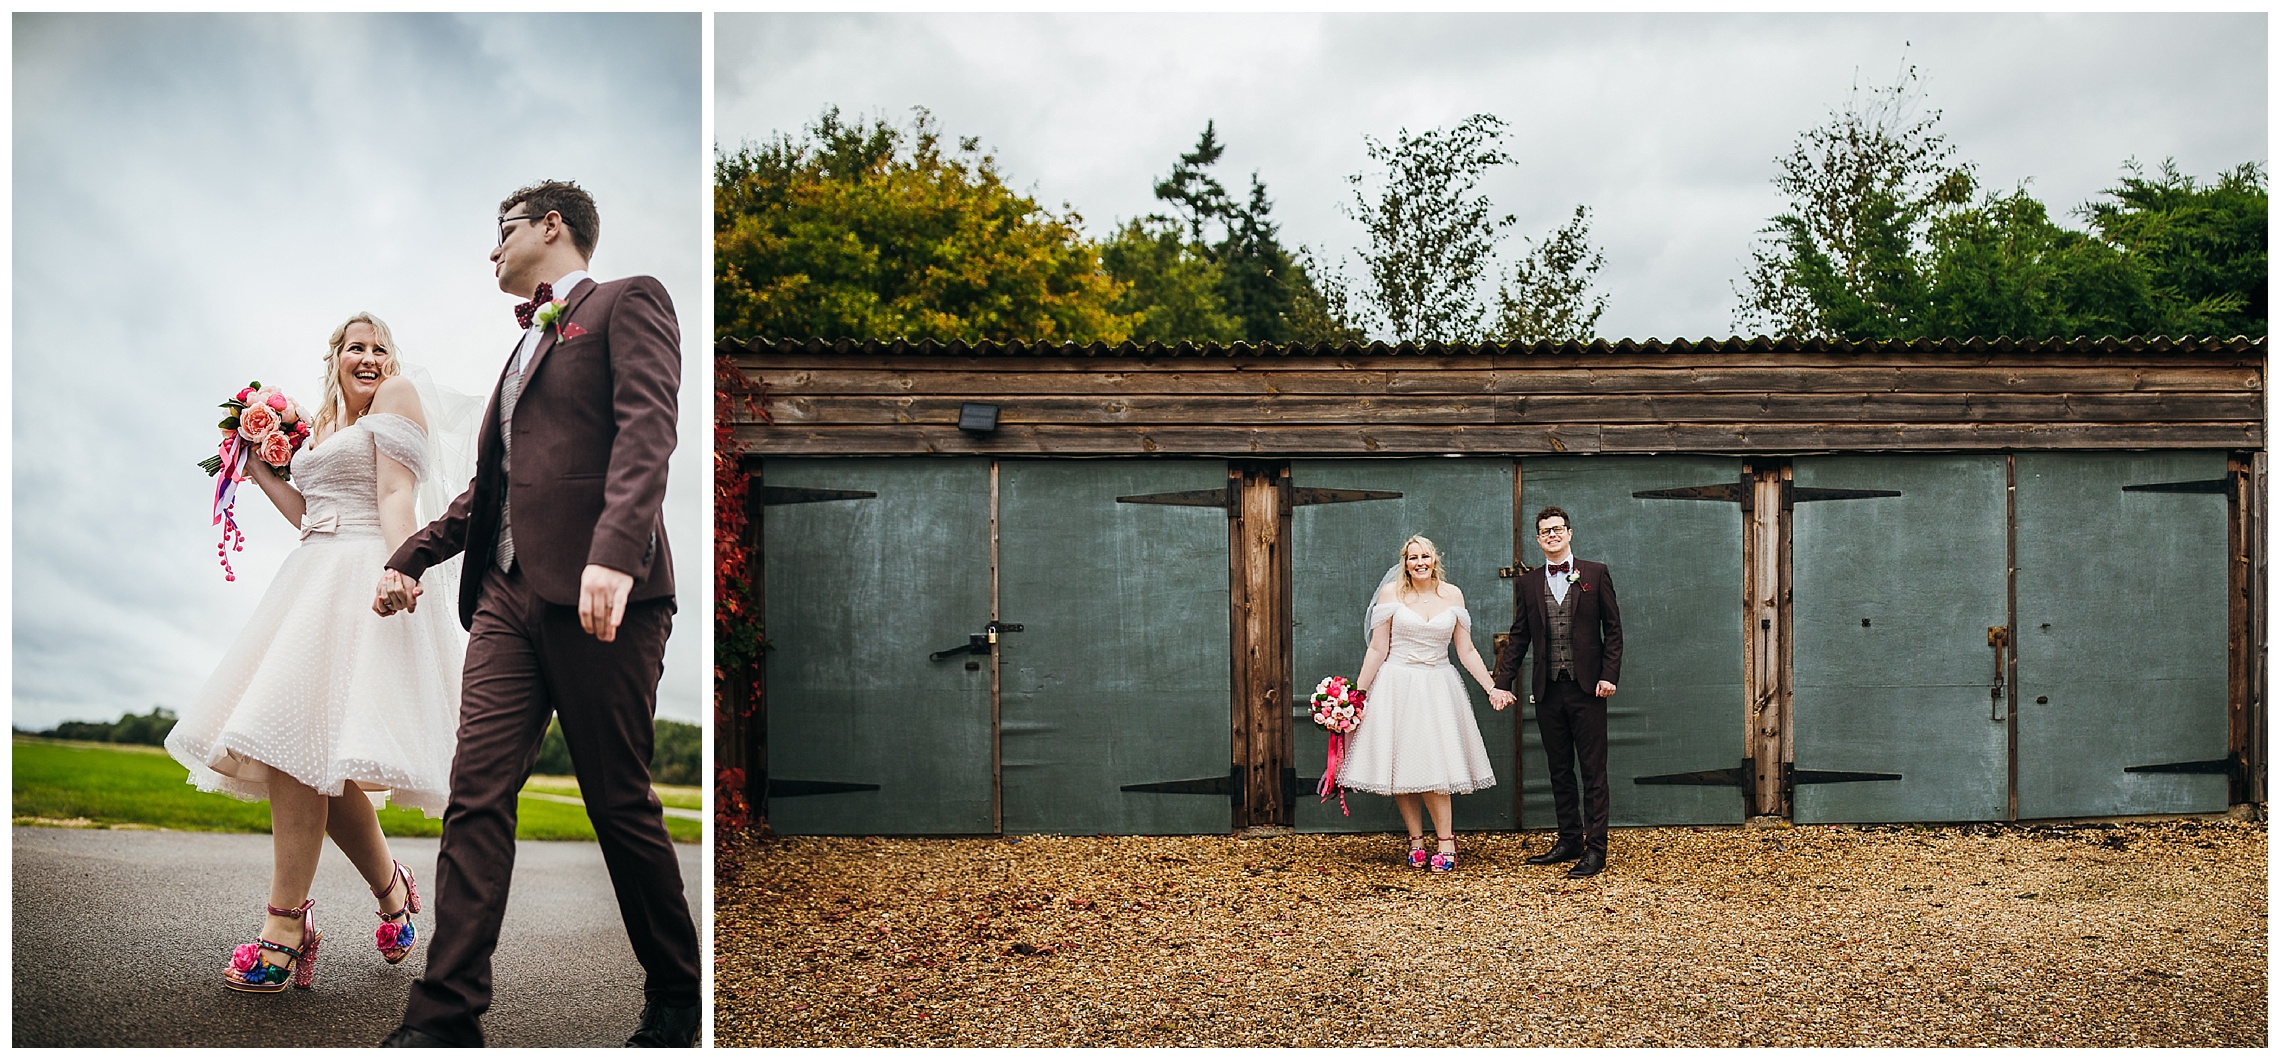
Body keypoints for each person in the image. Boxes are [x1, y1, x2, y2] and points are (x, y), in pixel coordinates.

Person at [373, 180, 698, 1048]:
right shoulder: (516, 357)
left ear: (552, 226)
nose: (491, 251)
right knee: (474, 797)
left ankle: (676, 996)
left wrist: (614, 550)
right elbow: (497, 488)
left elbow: (648, 430)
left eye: (502, 233)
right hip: (506, 600)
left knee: (617, 799)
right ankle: (445, 1017)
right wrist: (411, 556)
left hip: (606, 596)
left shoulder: (630, 301)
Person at [166, 312, 464, 992]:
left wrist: (403, 567)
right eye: (356, 347)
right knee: (302, 753)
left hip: (365, 578)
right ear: (334, 358)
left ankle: (285, 929)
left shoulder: (396, 397)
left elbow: (395, 492)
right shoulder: (323, 428)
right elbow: (310, 514)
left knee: (296, 749)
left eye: (379, 347)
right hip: (311, 577)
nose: (370, 357)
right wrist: (251, 460)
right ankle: (392, 890)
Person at [1336, 534, 1500, 872]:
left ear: (1435, 559)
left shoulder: (1452, 594)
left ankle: (1445, 840)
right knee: (1401, 766)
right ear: (1405, 563)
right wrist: (1356, 695)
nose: (1419, 562)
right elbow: (1377, 649)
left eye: (1425, 556)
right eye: (1413, 557)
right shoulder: (1391, 594)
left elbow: (1465, 650)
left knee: (1435, 765)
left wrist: (1490, 687)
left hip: (1439, 686)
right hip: (1397, 685)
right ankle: (1415, 840)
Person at [1490, 506, 1624, 879]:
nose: (1551, 535)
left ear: (1569, 533)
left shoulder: (1595, 573)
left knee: (1594, 771)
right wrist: (1503, 682)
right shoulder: (1529, 582)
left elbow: (1612, 630)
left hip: (1589, 689)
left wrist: (1608, 674)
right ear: (1538, 539)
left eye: (1557, 529)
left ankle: (1596, 849)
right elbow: (1519, 637)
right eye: (1544, 531)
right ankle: (1570, 841)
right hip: (1548, 689)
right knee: (1559, 769)